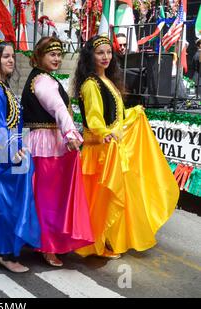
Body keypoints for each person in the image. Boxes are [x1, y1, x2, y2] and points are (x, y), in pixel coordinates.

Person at [73, 35, 179, 258]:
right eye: (100, 52)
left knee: (114, 196)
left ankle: (110, 239)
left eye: (108, 52)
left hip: (112, 148)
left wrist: (133, 114)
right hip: (101, 150)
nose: (105, 57)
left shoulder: (107, 81)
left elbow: (116, 117)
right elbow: (94, 120)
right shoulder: (91, 84)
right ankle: (100, 241)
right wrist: (105, 133)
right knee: (103, 198)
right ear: (90, 56)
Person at [21, 37, 94, 267]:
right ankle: (48, 245)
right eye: (51, 54)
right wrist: (71, 134)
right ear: (39, 56)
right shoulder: (42, 81)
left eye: (59, 54)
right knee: (48, 199)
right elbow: (59, 109)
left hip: (50, 142)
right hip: (47, 145)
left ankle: (49, 241)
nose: (57, 58)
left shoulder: (44, 78)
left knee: (50, 198)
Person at [0, 39, 41, 273]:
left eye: (12, 56)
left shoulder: (1, 85)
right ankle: (3, 252)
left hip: (5, 152)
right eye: (5, 56)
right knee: (3, 204)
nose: (11, 60)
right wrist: (14, 151)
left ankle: (1, 249)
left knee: (4, 203)